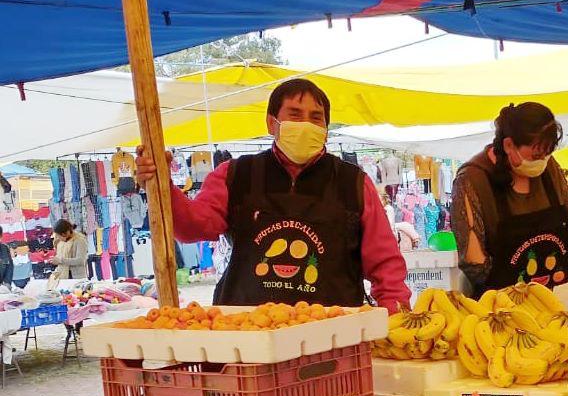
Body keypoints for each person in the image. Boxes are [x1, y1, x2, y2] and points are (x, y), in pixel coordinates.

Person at [135, 79, 409, 311]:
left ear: (325, 130)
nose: (306, 124)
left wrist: (396, 316)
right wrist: (162, 186)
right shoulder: (235, 174)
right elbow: (192, 227)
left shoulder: (354, 183)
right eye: (294, 114)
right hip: (247, 333)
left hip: (331, 337)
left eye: (316, 118)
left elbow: (385, 264)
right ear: (271, 123)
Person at [451, 102, 568, 295]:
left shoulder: (549, 167)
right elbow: (475, 264)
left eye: (547, 154)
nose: (542, 161)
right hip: (498, 310)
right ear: (509, 145)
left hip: (555, 299)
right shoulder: (472, 180)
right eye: (535, 154)